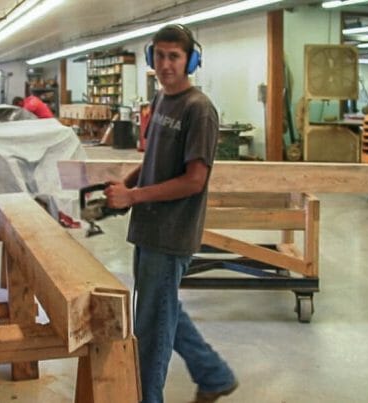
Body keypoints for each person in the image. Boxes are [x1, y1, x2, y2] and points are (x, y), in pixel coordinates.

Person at [104, 24, 237, 403]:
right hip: (149, 227)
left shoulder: (199, 110)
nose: (165, 65)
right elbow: (154, 159)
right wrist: (125, 184)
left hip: (172, 232)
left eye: (174, 57)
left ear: (191, 59)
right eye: (159, 56)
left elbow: (194, 180)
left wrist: (134, 196)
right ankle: (214, 375)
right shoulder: (162, 101)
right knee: (161, 311)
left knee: (150, 330)